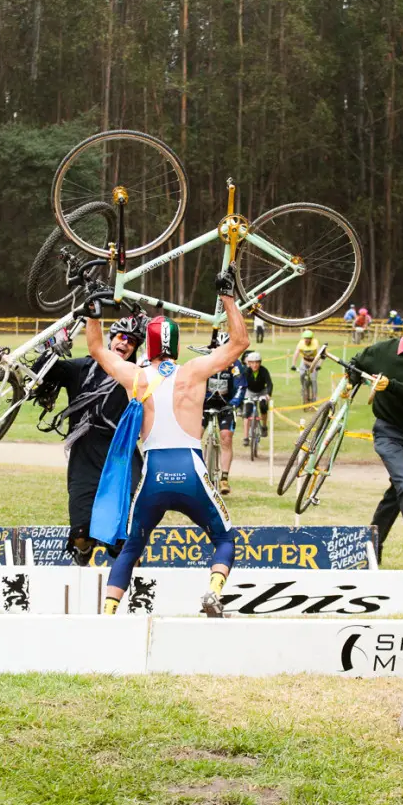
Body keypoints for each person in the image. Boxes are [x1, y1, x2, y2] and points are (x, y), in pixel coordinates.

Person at [86, 264, 250, 617]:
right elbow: (240, 343)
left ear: (150, 345)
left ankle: (109, 611)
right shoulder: (194, 370)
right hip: (191, 468)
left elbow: (98, 349)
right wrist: (228, 297)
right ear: (175, 345)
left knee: (132, 547)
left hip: (154, 474)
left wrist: (93, 309)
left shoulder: (136, 375)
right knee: (223, 539)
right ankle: (213, 591)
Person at [32, 315, 147, 566]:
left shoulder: (137, 376)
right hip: (84, 455)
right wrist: (51, 350)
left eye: (133, 341)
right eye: (122, 337)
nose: (126, 344)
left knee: (123, 541)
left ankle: (131, 585)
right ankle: (83, 551)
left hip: (120, 457)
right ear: (110, 338)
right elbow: (42, 372)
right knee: (81, 535)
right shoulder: (81, 368)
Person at [350, 307, 403, 568]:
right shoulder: (382, 350)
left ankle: (370, 552)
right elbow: (356, 363)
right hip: (387, 431)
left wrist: (390, 384)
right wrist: (353, 379)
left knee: (397, 493)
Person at [202, 331, 246, 495]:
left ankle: (224, 478)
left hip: (226, 404)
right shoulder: (205, 361)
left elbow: (241, 386)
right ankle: (197, 474)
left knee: (226, 437)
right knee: (194, 435)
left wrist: (234, 403)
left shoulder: (235, 365)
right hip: (205, 403)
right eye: (218, 348)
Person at [242, 352, 273, 443]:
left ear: (260, 363)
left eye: (257, 362)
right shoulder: (246, 371)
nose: (255, 365)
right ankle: (246, 437)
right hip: (250, 392)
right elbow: (241, 384)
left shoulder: (264, 371)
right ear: (249, 363)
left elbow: (269, 383)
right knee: (247, 413)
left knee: (263, 406)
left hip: (261, 392)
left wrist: (268, 394)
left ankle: (264, 426)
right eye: (252, 363)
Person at [291, 329, 320, 406]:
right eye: (305, 338)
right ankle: (303, 388)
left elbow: (320, 354)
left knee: (313, 380)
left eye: (308, 338)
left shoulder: (315, 344)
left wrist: (318, 365)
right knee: (301, 375)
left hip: (314, 361)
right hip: (304, 361)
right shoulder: (301, 344)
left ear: (311, 339)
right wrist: (293, 364)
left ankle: (314, 398)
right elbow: (296, 353)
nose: (306, 340)